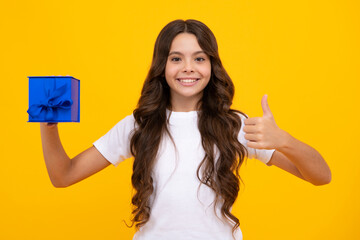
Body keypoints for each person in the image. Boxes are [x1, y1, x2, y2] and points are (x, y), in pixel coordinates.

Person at [39, 19, 331, 240]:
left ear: (212, 66)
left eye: (199, 58)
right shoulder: (138, 126)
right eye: (176, 58)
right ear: (162, 66)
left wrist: (285, 140)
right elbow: (63, 176)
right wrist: (48, 122)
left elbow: (321, 176)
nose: (188, 67)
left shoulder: (234, 125)